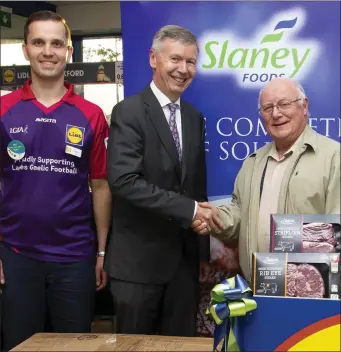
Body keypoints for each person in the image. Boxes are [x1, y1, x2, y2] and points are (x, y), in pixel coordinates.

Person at [0, 11, 111, 351]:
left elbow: (101, 185)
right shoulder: (3, 109)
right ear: (25, 50)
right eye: (39, 43)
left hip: (75, 255)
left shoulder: (91, 114)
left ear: (68, 52)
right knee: (19, 346)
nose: (47, 51)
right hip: (16, 254)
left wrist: (102, 252)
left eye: (56, 44)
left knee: (74, 346)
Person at [105, 25, 223, 337]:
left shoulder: (195, 118)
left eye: (191, 62)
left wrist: (200, 252)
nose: (184, 70)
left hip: (183, 269)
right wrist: (190, 210)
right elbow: (124, 181)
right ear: (153, 58)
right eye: (175, 59)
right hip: (137, 267)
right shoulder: (128, 111)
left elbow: (196, 188)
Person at [192, 78, 340, 283]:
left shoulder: (334, 157)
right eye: (268, 108)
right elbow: (238, 218)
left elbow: (336, 233)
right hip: (257, 291)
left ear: (304, 106)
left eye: (284, 104)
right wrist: (213, 217)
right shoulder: (253, 163)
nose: (276, 114)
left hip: (311, 295)